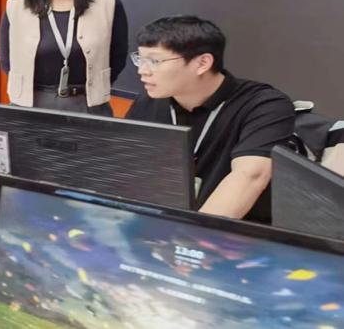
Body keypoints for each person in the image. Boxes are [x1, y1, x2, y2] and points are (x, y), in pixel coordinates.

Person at [125, 15, 295, 223]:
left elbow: (250, 176)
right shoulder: (149, 103)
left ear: (202, 63)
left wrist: (191, 236)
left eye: (154, 61)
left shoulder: (264, 105)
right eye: (140, 59)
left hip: (234, 230)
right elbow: (129, 168)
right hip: (164, 220)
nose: (142, 71)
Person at [0, 0, 128, 114]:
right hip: (30, 106)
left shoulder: (107, 3)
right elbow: (7, 61)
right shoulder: (16, 6)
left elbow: (117, 57)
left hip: (89, 105)